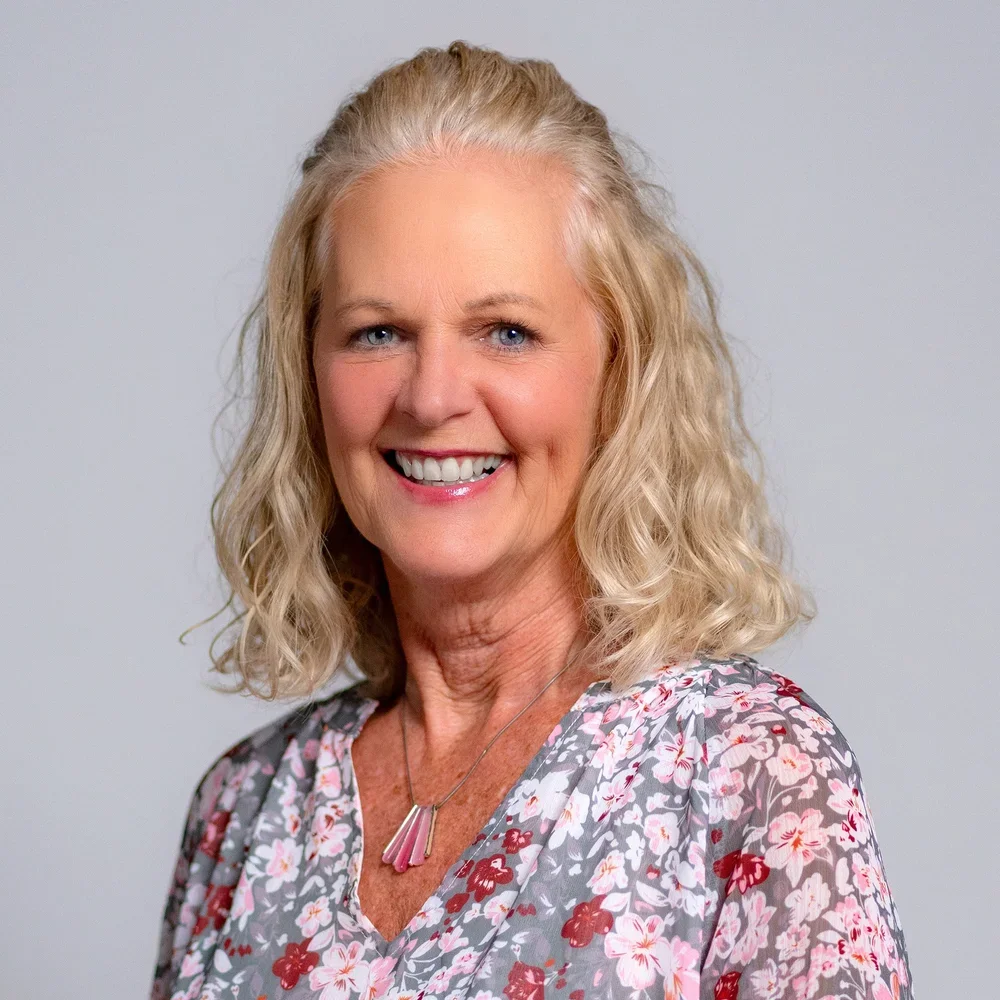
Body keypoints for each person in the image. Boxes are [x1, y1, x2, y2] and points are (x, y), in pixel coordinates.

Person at [150, 40, 913, 1000]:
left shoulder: (749, 772)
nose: (431, 398)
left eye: (505, 331)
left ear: (618, 372)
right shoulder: (240, 811)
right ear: (310, 375)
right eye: (376, 332)